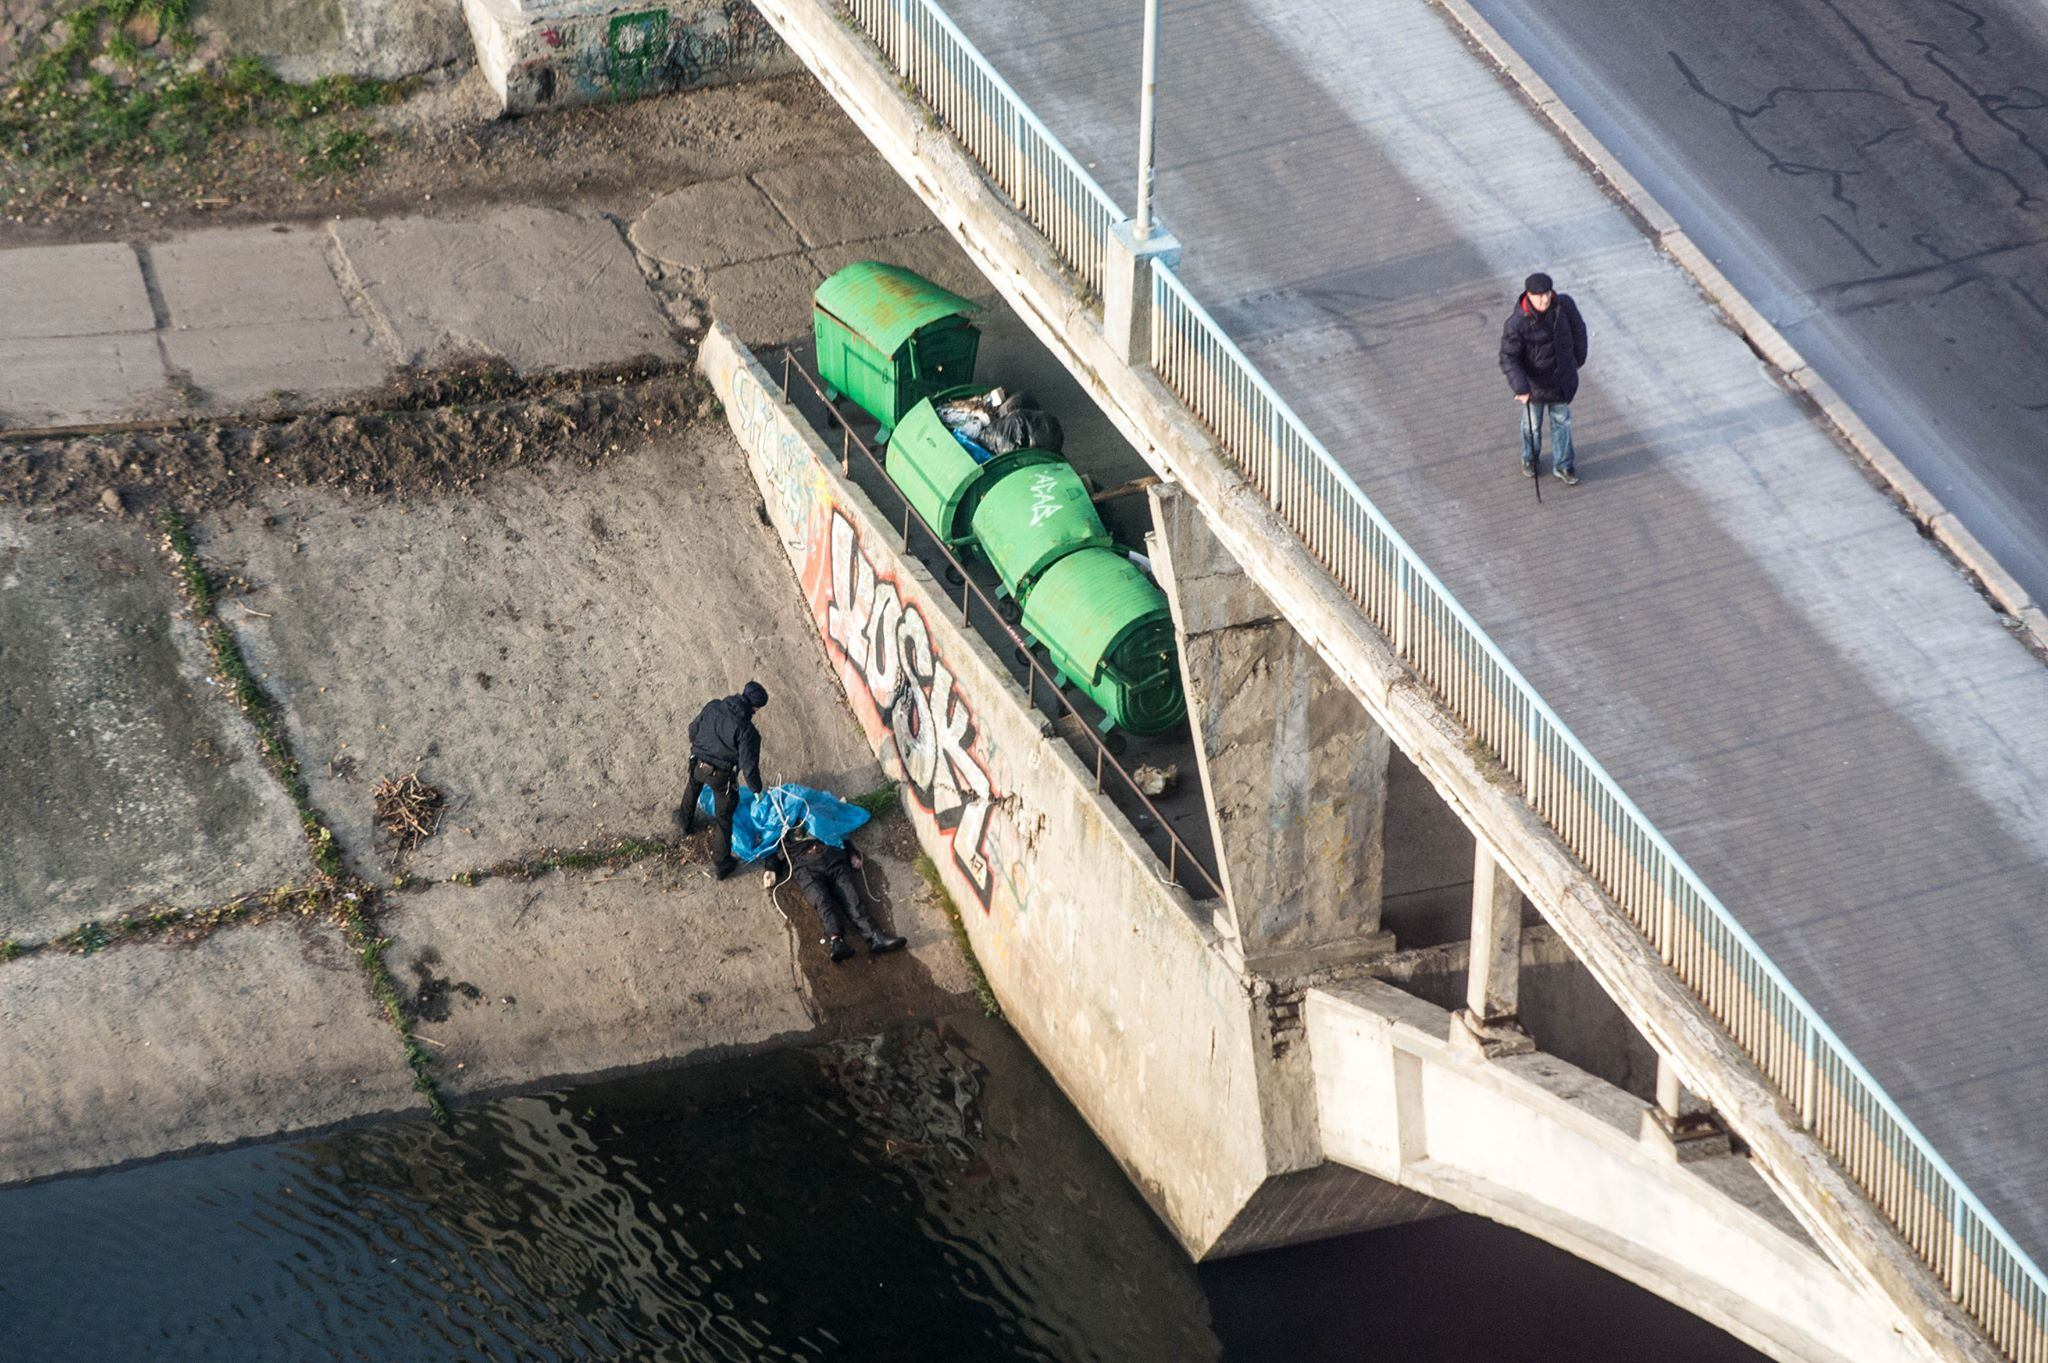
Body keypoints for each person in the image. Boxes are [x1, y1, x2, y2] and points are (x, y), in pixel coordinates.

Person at [764, 819, 906, 963]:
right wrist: (771, 869)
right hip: (806, 867)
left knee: (851, 896)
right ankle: (837, 941)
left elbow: (836, 831)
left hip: (832, 858)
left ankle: (875, 937)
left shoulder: (813, 810)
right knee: (820, 900)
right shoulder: (780, 824)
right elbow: (773, 849)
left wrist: (852, 853)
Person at [1498, 271, 1590, 486]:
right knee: (1532, 425)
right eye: (1539, 295)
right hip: (1533, 386)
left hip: (1560, 381)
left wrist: (1577, 359)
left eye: (1547, 293)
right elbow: (1508, 357)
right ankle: (1530, 457)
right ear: (1528, 295)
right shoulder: (1516, 324)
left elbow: (1579, 330)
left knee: (1562, 423)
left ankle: (1564, 465)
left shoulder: (1564, 306)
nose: (1545, 299)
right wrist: (1521, 387)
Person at [676, 680, 769, 880]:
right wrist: (757, 791)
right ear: (756, 707)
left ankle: (684, 821)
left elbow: (693, 729)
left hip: (697, 763)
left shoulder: (713, 706)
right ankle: (722, 864)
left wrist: (702, 748)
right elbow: (749, 766)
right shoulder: (747, 732)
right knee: (724, 819)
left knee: (693, 786)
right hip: (721, 777)